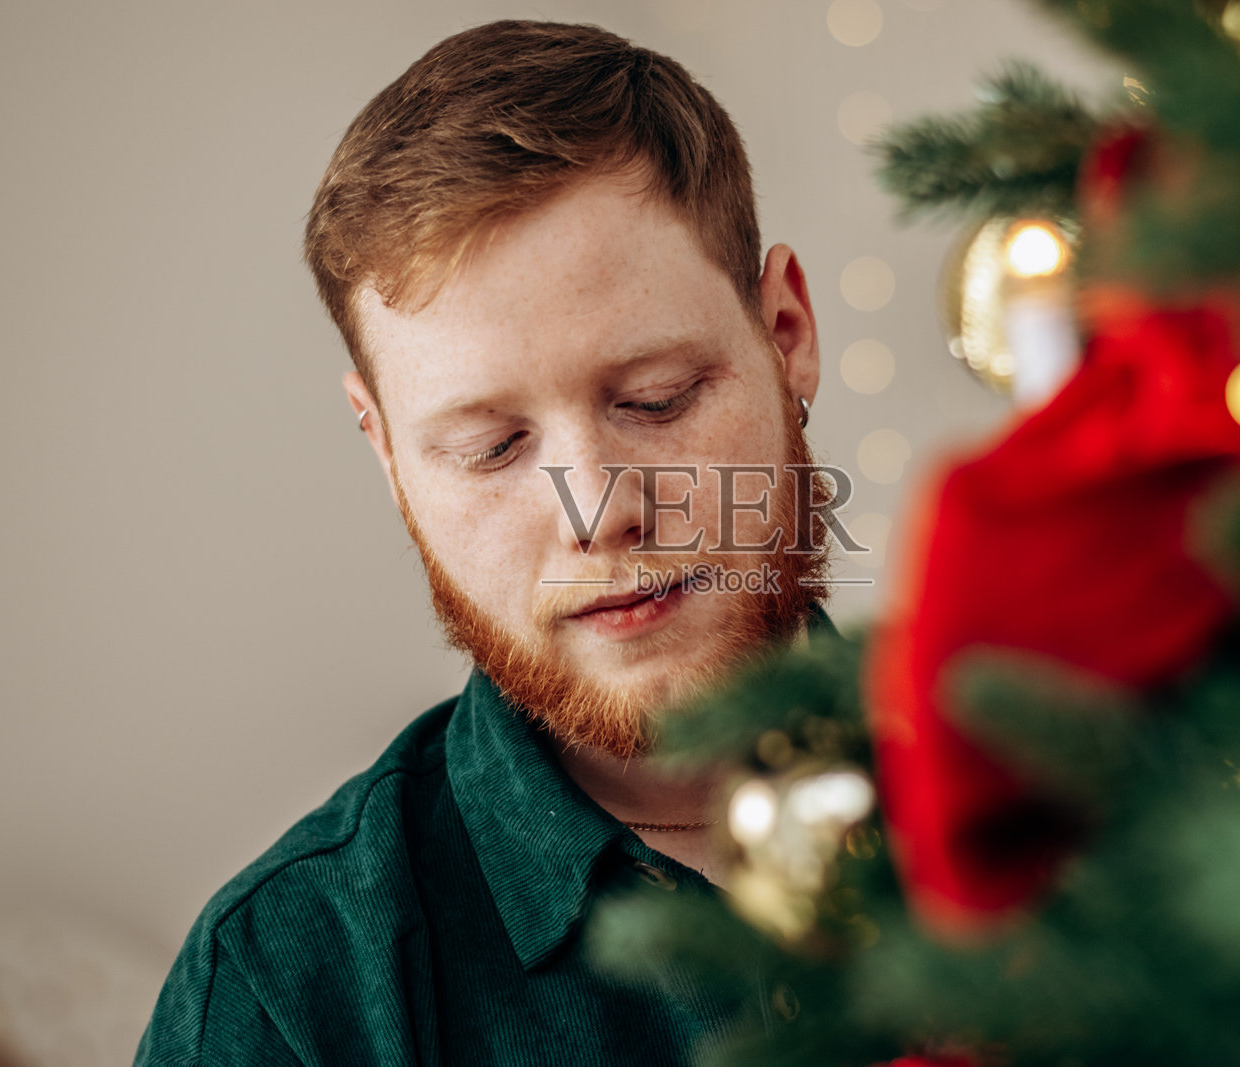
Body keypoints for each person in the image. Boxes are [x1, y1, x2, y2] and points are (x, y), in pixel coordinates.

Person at [135, 18, 837, 1066]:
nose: (596, 510)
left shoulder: (1081, 787)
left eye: (658, 398)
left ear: (785, 336)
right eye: (492, 447)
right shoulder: (284, 990)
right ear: (386, 451)